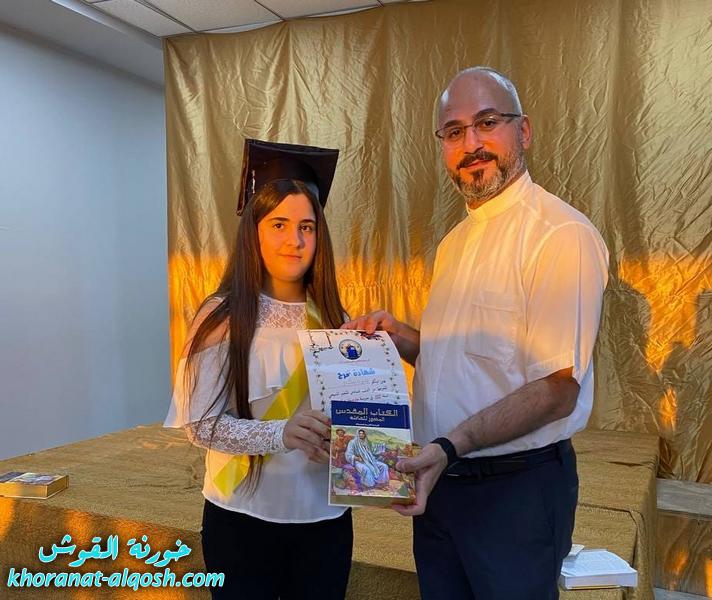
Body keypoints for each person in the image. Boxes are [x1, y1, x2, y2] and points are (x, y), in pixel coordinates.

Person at [344, 67, 609, 599]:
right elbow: (467, 362)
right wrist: (401, 338)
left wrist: (449, 446)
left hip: (514, 495)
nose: (471, 144)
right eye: (454, 131)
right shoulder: (454, 243)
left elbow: (558, 388)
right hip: (440, 485)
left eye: (487, 123)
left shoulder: (560, 235)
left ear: (523, 131)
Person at [165, 139, 352, 600]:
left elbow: (356, 424)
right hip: (239, 518)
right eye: (279, 225)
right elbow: (201, 425)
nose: (295, 241)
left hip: (324, 520)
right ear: (254, 231)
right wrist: (281, 434)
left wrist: (350, 447)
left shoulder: (338, 321)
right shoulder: (221, 316)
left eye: (307, 227)